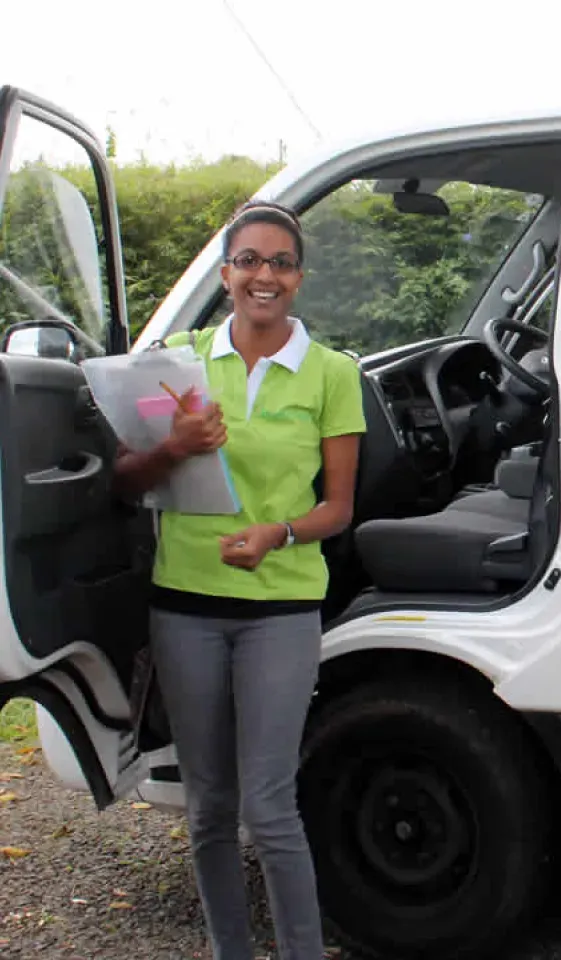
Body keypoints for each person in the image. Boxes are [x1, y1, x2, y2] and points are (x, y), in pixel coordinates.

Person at [113, 199, 366, 960]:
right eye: (250, 261)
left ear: (298, 278)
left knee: (270, 803)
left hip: (281, 608)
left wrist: (278, 533)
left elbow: (339, 509)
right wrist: (175, 445)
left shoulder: (331, 373)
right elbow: (126, 481)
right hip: (184, 606)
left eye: (281, 263)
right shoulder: (178, 364)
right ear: (226, 275)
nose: (266, 275)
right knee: (210, 805)